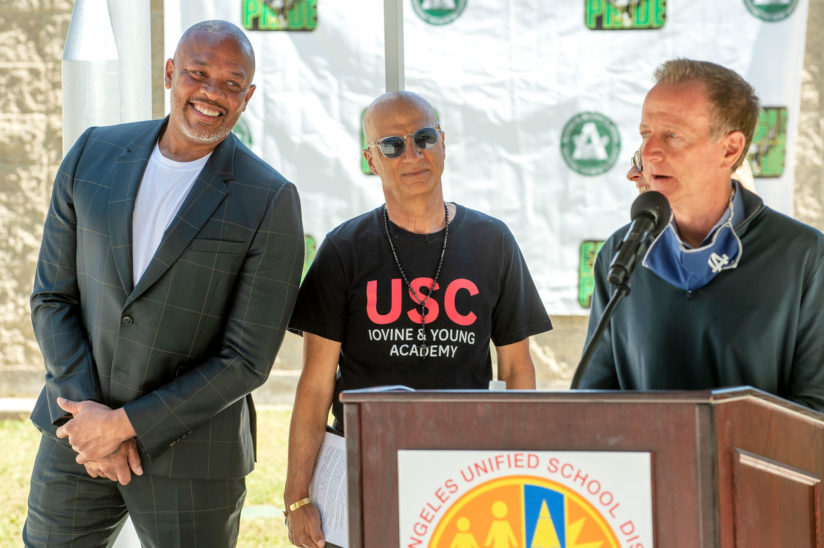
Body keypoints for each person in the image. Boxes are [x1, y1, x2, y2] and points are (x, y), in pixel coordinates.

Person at [23, 20, 304, 547]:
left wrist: (124, 425)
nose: (212, 93)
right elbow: (52, 297)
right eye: (198, 73)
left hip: (193, 457)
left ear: (247, 97)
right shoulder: (92, 154)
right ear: (171, 72)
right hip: (75, 437)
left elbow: (246, 359)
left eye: (231, 83)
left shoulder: (268, 199)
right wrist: (90, 419)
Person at [283, 90, 552, 547]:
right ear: (371, 160)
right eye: (392, 145)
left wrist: (518, 468)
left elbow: (516, 369)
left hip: (467, 468)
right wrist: (296, 496)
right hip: (366, 467)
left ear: (443, 143)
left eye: (424, 138)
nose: (412, 154)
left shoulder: (492, 241)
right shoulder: (344, 249)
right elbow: (315, 383)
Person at [576, 59, 824, 412]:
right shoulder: (619, 252)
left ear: (730, 149)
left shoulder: (804, 255)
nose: (649, 152)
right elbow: (593, 403)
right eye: (645, 134)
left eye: (672, 135)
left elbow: (815, 410)